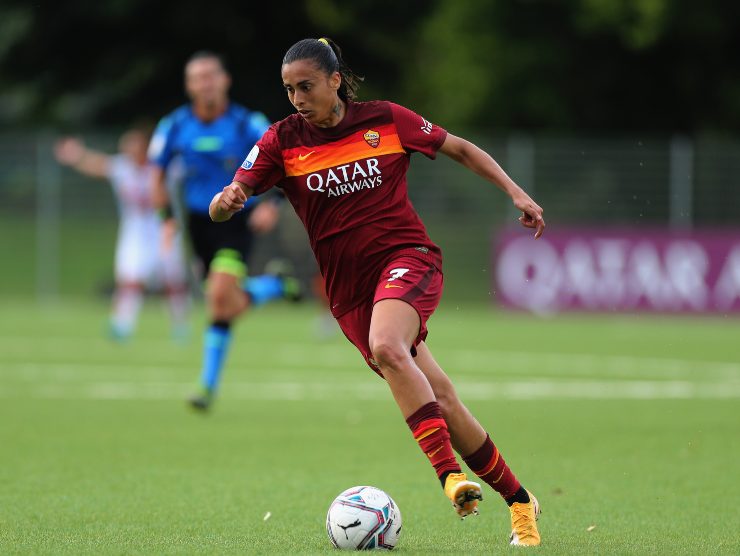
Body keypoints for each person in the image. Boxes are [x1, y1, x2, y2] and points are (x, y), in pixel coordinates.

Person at [210, 38, 546, 546]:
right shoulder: (281, 141)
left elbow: (459, 148)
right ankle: (521, 502)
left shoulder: (385, 120)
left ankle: (449, 476)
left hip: (408, 259)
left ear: (334, 80)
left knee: (387, 346)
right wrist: (228, 198)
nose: (297, 98)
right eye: (288, 89)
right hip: (350, 295)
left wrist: (515, 192)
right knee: (443, 400)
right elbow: (222, 204)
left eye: (306, 86)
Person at [149, 51, 301, 411]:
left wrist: (272, 204)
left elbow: (283, 157)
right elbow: (156, 173)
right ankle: (272, 286)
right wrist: (166, 218)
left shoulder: (246, 122)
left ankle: (206, 386)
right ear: (189, 86)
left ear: (224, 81)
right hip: (198, 225)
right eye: (198, 77)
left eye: (211, 76)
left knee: (218, 298)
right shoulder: (173, 126)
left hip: (236, 222)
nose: (206, 83)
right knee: (225, 301)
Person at [54, 127, 189, 341]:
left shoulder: (164, 166)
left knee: (172, 281)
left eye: (134, 145)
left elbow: (192, 166)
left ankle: (180, 326)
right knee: (130, 280)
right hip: (135, 232)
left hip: (164, 230)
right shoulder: (123, 167)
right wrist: (76, 155)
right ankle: (122, 325)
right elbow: (97, 164)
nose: (130, 151)